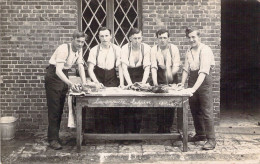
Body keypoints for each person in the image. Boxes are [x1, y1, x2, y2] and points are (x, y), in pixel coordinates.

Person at [45, 30, 88, 150]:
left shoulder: (79, 50)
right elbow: (58, 70)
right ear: (73, 39)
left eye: (83, 42)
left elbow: (80, 66)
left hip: (64, 75)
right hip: (54, 75)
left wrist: (84, 83)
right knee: (54, 109)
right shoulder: (64, 48)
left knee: (59, 108)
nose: (80, 44)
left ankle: (55, 137)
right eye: (78, 41)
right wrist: (70, 83)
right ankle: (52, 139)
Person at [178, 27, 216, 150]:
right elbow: (186, 69)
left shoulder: (205, 50)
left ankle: (211, 140)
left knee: (206, 111)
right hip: (192, 80)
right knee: (195, 109)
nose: (191, 40)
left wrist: (193, 89)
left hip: (203, 81)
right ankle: (200, 134)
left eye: (194, 37)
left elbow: (204, 72)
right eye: (189, 37)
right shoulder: (189, 51)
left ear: (199, 37)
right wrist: (182, 83)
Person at [87, 27, 124, 133]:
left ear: (111, 36)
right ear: (98, 37)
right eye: (102, 36)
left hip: (112, 77)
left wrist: (121, 83)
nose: (104, 38)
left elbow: (120, 67)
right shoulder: (94, 50)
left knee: (114, 104)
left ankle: (115, 132)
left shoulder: (117, 49)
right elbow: (90, 69)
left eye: (106, 35)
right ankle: (100, 132)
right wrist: (96, 83)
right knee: (98, 105)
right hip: (98, 76)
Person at [121, 28, 151, 133]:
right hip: (128, 76)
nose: (137, 41)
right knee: (127, 104)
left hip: (141, 76)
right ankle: (127, 133)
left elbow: (147, 67)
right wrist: (129, 84)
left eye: (139, 38)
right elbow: (124, 68)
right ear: (130, 39)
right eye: (134, 38)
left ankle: (136, 133)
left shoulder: (146, 48)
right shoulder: (124, 48)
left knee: (139, 105)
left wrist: (142, 83)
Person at [151, 29, 180, 133]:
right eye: (160, 38)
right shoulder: (154, 49)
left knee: (170, 103)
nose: (162, 40)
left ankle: (167, 128)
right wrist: (155, 83)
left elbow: (176, 65)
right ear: (157, 39)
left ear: (168, 39)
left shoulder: (174, 49)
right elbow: (153, 67)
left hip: (172, 76)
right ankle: (160, 128)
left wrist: (170, 74)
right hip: (159, 76)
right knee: (159, 103)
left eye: (164, 38)